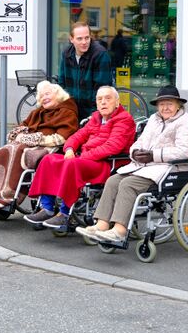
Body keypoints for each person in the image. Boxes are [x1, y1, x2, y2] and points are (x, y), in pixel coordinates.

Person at [76, 85, 188, 243]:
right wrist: (135, 152)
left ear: (178, 105)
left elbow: (184, 151)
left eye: (170, 103)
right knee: (113, 181)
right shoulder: (154, 119)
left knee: (128, 184)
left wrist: (154, 155)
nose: (165, 107)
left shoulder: (184, 121)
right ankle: (102, 224)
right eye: (161, 104)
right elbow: (140, 141)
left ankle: (119, 230)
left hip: (169, 168)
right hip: (145, 166)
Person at [25, 86, 134, 229]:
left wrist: (83, 156)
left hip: (107, 163)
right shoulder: (96, 118)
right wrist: (69, 149)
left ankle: (64, 213)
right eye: (100, 99)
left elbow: (112, 147)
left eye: (108, 98)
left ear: (117, 102)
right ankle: (47, 208)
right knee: (48, 159)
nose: (103, 102)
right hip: (86, 159)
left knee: (72, 164)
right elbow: (77, 136)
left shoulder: (124, 120)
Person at [0, 81, 79, 213]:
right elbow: (20, 127)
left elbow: (61, 138)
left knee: (18, 152)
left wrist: (33, 139)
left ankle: (6, 195)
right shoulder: (38, 112)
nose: (44, 98)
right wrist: (19, 135)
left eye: (47, 94)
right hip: (29, 145)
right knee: (1, 151)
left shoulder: (67, 112)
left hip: (49, 148)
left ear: (58, 94)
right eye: (41, 96)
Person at [58, 22, 112, 117]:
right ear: (71, 39)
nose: (84, 42)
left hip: (94, 111)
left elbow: (102, 89)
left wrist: (94, 114)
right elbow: (62, 82)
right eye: (79, 38)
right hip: (72, 109)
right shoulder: (66, 54)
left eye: (87, 38)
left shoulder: (100, 54)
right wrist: (65, 107)